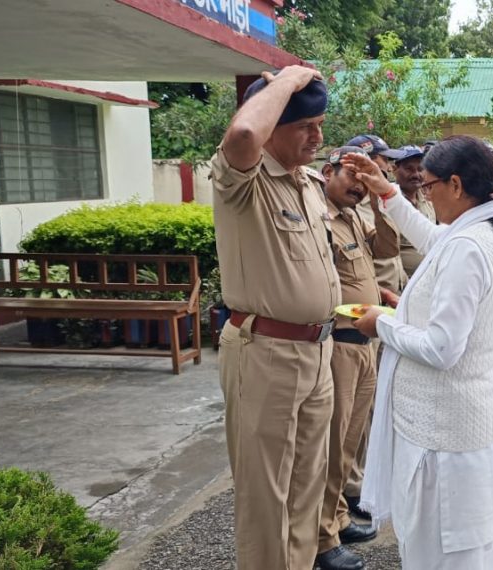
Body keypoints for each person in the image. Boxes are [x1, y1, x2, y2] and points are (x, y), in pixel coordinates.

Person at [343, 135, 493, 568]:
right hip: (464, 428)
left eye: (429, 186)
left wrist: (384, 324)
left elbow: (442, 348)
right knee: (463, 551)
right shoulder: (480, 230)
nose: (426, 195)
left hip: (446, 440)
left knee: (441, 552)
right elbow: (434, 241)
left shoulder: (470, 246)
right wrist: (387, 192)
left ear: (455, 185)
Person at [212, 66, 337, 570]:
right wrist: (284, 80)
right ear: (274, 126)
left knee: (307, 486)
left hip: (318, 351)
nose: (318, 136)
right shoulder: (242, 179)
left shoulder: (307, 183)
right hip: (266, 352)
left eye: (321, 123)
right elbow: (242, 133)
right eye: (306, 125)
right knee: (266, 496)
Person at [315, 146, 402, 570]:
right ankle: (322, 538)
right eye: (351, 176)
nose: (357, 185)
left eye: (364, 177)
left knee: (349, 442)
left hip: (366, 342)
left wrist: (378, 200)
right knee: (331, 445)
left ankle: (337, 516)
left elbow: (386, 249)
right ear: (328, 171)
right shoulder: (319, 217)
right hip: (340, 345)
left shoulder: (352, 215)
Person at [348, 134, 406, 294]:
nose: (389, 167)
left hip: (397, 294)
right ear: (366, 162)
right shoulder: (351, 207)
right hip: (374, 299)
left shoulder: (384, 200)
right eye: (385, 160)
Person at [391, 145, 436, 278]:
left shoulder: (428, 200)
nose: (416, 175)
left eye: (420, 169)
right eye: (409, 169)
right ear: (394, 170)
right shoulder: (388, 203)